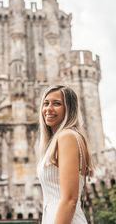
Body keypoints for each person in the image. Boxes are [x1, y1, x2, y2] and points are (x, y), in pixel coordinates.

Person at [37, 85, 94, 224]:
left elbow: (70, 200)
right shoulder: (58, 139)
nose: (49, 108)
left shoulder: (67, 136)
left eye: (57, 103)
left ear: (69, 108)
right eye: (46, 103)